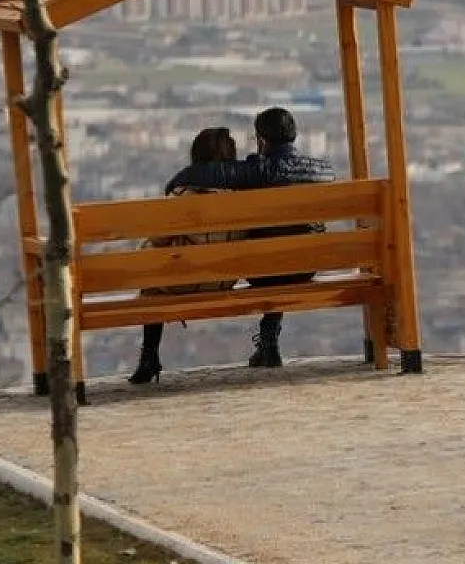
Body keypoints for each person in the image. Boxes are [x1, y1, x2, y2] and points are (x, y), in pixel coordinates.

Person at [164, 107, 336, 368]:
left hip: (263, 269)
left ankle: (268, 344)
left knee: (268, 249)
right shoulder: (323, 171)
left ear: (262, 140)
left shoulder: (258, 170)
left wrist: (177, 179)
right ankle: (269, 343)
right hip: (306, 266)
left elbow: (209, 172)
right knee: (283, 245)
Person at [128, 127, 245, 385]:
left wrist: (144, 251)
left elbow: (158, 238)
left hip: (186, 282)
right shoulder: (242, 197)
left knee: (151, 286)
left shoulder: (183, 197)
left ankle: (149, 358)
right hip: (225, 279)